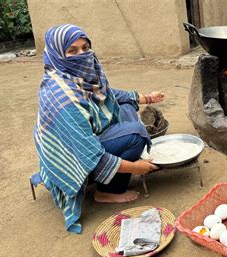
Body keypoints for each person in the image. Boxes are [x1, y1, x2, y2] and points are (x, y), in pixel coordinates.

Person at [32, 24, 164, 233]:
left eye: (85, 48)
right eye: (72, 51)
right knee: (136, 134)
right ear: (57, 54)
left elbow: (108, 94)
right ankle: (107, 191)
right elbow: (90, 154)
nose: (82, 55)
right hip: (73, 158)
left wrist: (146, 98)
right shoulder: (61, 96)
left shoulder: (76, 76)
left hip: (86, 138)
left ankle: (118, 168)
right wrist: (136, 167)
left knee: (127, 106)